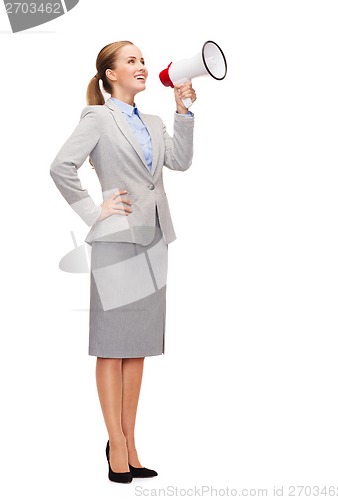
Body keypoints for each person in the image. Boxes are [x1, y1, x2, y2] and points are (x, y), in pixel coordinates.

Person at [50, 40, 196, 484]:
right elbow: (61, 167)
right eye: (131, 61)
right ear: (110, 74)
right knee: (112, 344)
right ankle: (115, 441)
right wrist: (96, 212)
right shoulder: (97, 117)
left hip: (154, 238)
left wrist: (183, 112)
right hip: (115, 241)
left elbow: (181, 162)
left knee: (138, 347)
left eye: (143, 61)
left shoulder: (151, 121)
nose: (142, 66)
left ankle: (130, 442)